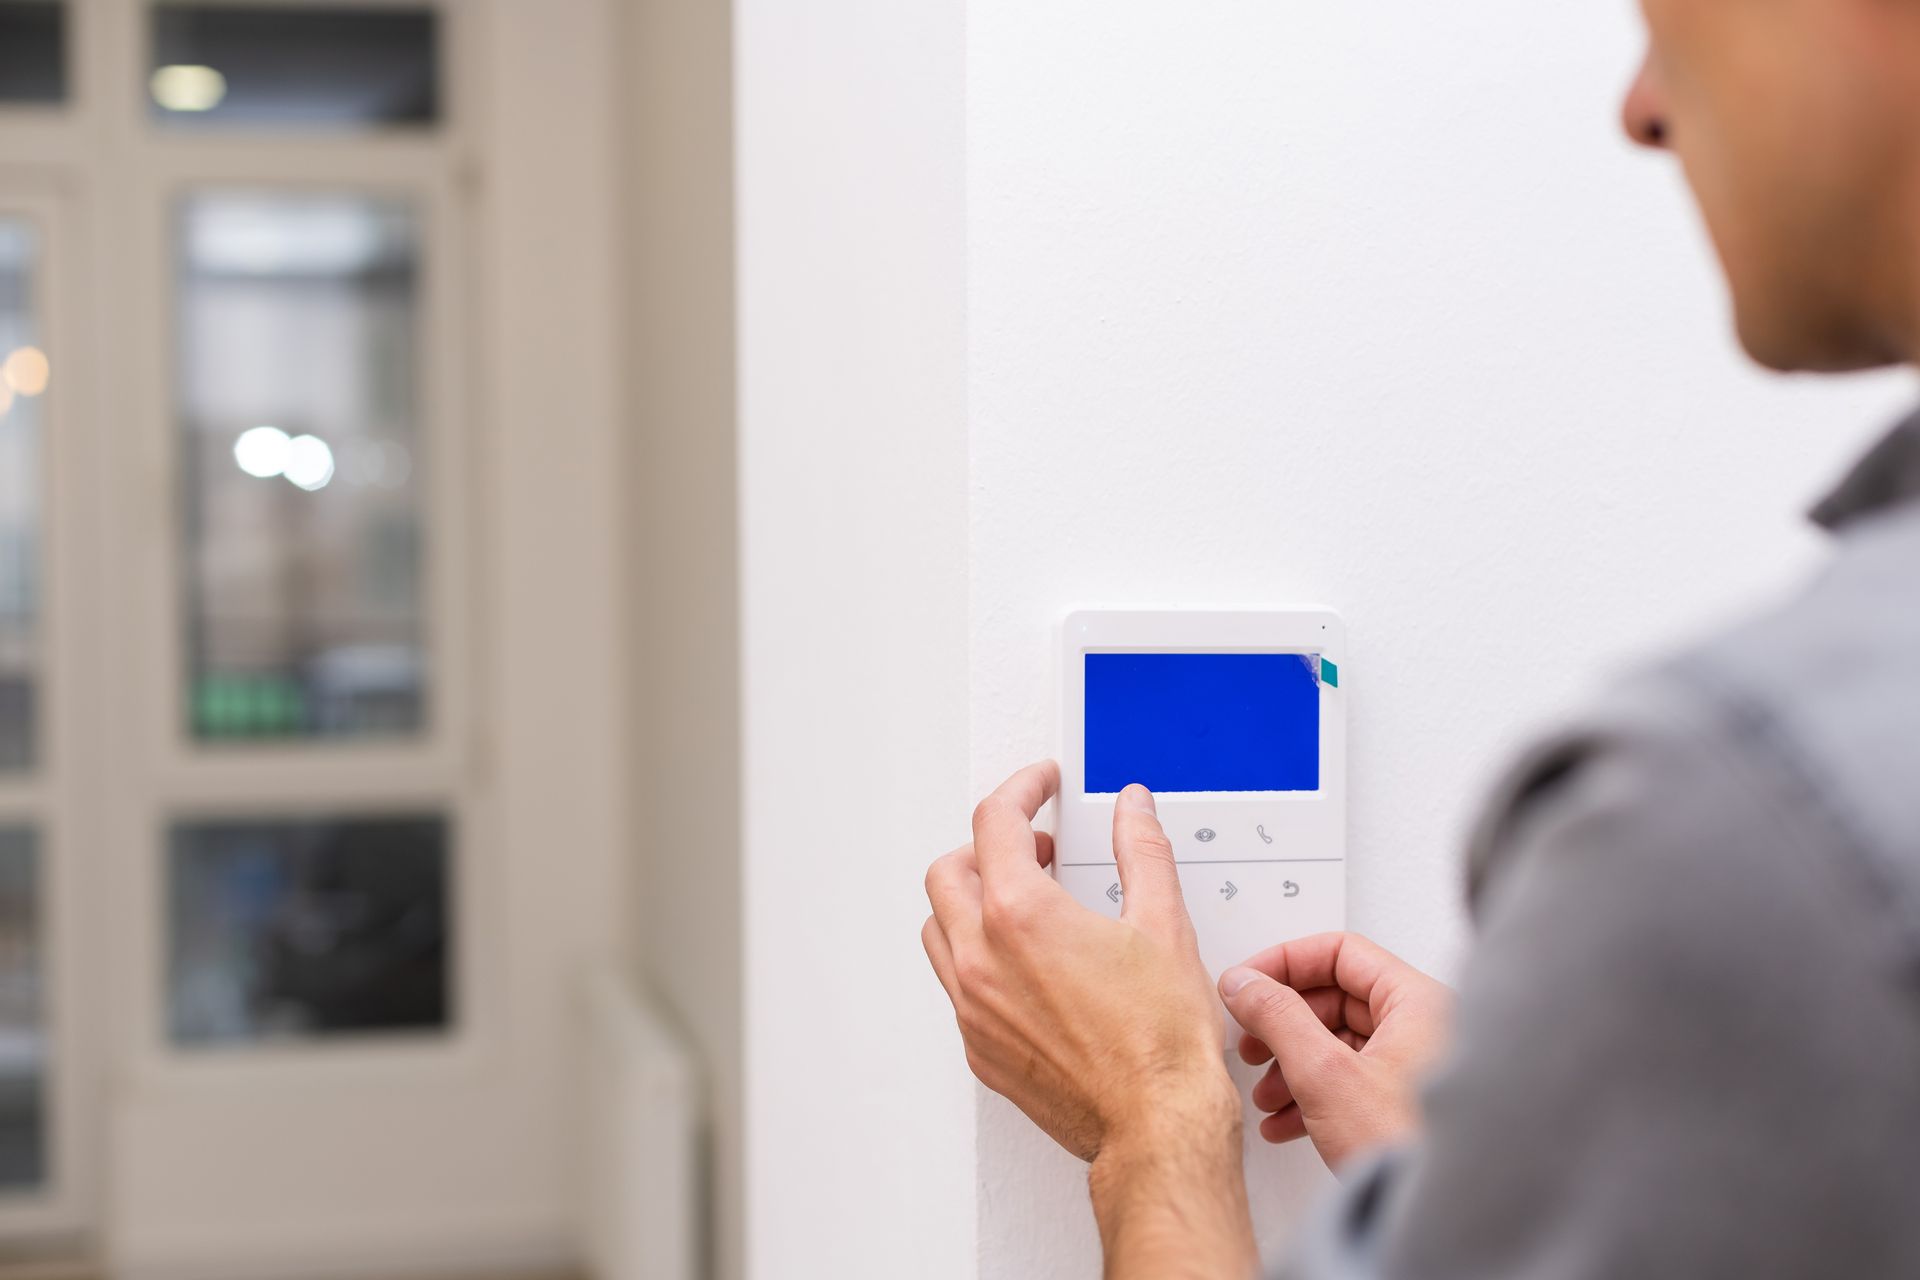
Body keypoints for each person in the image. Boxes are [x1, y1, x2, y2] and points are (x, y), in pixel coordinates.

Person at [920, 1, 1920, 1275]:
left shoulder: (1742, 817)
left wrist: (1152, 1114)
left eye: (1675, 24)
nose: (1642, 108)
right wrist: (1482, 1184)